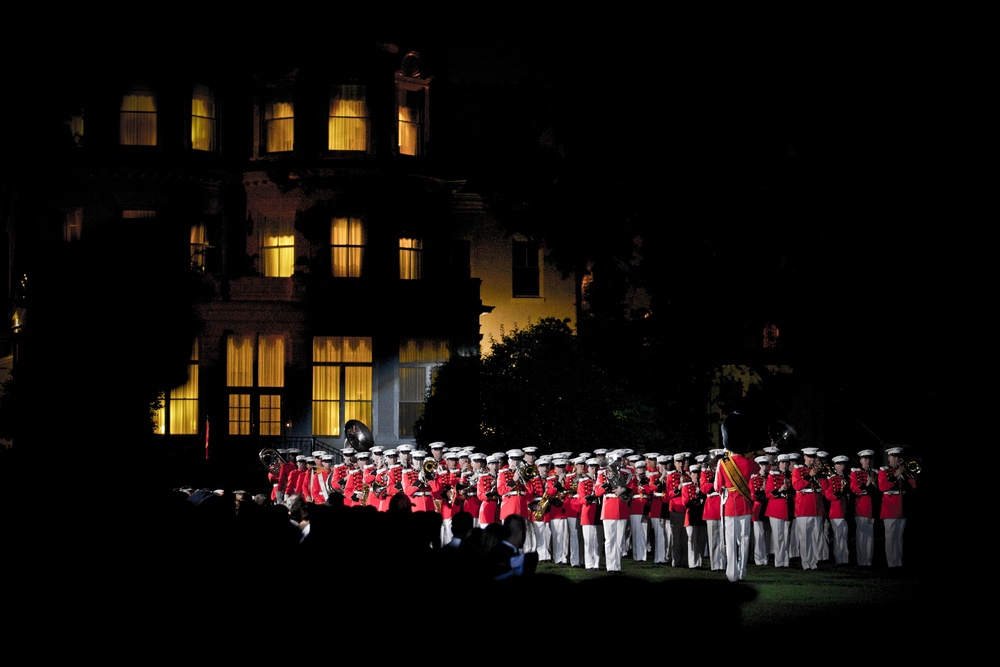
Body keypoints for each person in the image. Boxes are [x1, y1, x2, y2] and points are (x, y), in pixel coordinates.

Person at [714, 412, 756, 582]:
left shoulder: (723, 463)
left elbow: (717, 487)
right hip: (746, 505)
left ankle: (732, 573)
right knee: (745, 540)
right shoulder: (750, 462)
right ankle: (742, 571)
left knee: (730, 541)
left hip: (730, 505)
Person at [878, 446, 917, 568]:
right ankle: (891, 563)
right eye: (893, 456)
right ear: (889, 457)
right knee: (890, 537)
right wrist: (895, 475)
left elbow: (914, 485)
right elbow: (882, 487)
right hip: (889, 506)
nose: (896, 459)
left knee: (899, 537)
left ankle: (898, 563)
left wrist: (905, 473)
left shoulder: (904, 471)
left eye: (898, 456)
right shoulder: (883, 471)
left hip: (901, 507)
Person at [791, 447, 827, 570]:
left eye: (813, 457)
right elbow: (796, 486)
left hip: (817, 506)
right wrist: (809, 476)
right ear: (804, 456)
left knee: (817, 536)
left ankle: (815, 562)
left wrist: (820, 474)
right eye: (809, 456)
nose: (811, 459)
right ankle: (806, 563)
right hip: (804, 507)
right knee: (805, 537)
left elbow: (826, 487)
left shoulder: (819, 470)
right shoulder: (798, 470)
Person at [595, 450, 631, 573]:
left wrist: (624, 489)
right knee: (610, 539)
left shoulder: (626, 473)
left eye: (619, 460)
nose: (618, 462)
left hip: (622, 507)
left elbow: (634, 488)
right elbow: (597, 492)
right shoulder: (602, 473)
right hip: (609, 507)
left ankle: (618, 566)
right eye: (615, 460)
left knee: (620, 540)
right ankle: (611, 567)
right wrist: (607, 485)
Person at [850, 449, 880, 566]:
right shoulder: (855, 473)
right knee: (861, 536)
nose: (867, 461)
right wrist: (868, 484)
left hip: (871, 508)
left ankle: (868, 561)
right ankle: (861, 561)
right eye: (865, 459)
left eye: (869, 459)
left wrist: (873, 483)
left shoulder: (874, 473)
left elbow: (878, 490)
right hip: (861, 507)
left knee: (870, 537)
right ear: (861, 460)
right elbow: (855, 489)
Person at [765, 454, 794, 567]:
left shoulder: (791, 475)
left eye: (786, 463)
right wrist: (780, 489)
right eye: (782, 463)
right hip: (776, 508)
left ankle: (785, 561)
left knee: (786, 537)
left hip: (787, 508)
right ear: (778, 464)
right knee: (778, 537)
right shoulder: (772, 476)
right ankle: (779, 561)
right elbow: (768, 493)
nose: (785, 465)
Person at [824, 455, 851, 565]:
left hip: (846, 510)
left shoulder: (848, 478)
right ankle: (840, 559)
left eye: (843, 464)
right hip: (836, 510)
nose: (842, 466)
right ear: (835, 466)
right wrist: (840, 491)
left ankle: (845, 559)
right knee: (838, 536)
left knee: (844, 536)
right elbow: (829, 495)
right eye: (839, 464)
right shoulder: (832, 479)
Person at [702, 449, 725, 571]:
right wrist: (715, 482)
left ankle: (723, 564)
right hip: (711, 508)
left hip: (722, 506)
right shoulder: (706, 474)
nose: (716, 463)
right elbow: (704, 488)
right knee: (713, 539)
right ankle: (715, 564)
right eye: (715, 461)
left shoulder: (725, 471)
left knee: (723, 539)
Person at [681, 463, 706, 568]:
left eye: (698, 473)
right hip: (691, 516)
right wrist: (695, 499)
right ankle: (692, 563)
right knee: (692, 540)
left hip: (701, 515)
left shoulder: (703, 487)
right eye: (694, 473)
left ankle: (699, 562)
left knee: (701, 540)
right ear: (690, 474)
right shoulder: (687, 487)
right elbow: (685, 503)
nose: (696, 475)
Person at [750, 455, 771, 566]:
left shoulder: (770, 477)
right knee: (758, 535)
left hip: (768, 506)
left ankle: (766, 557)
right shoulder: (754, 478)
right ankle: (758, 559)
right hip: (758, 507)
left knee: (768, 535)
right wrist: (760, 490)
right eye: (762, 464)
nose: (764, 467)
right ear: (759, 465)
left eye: (765, 464)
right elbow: (752, 495)